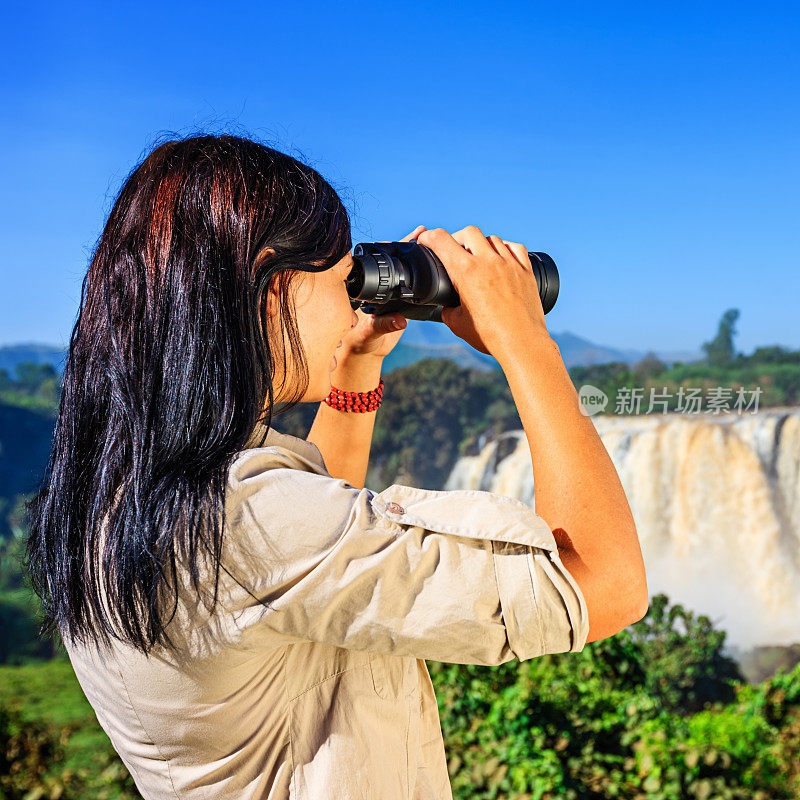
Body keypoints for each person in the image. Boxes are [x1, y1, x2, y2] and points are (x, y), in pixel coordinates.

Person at [25, 133, 648, 800]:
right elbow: (605, 584)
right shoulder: (245, 520)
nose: (353, 299)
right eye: (340, 278)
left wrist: (356, 365)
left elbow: (315, 553)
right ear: (271, 287)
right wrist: (525, 340)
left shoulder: (126, 491)